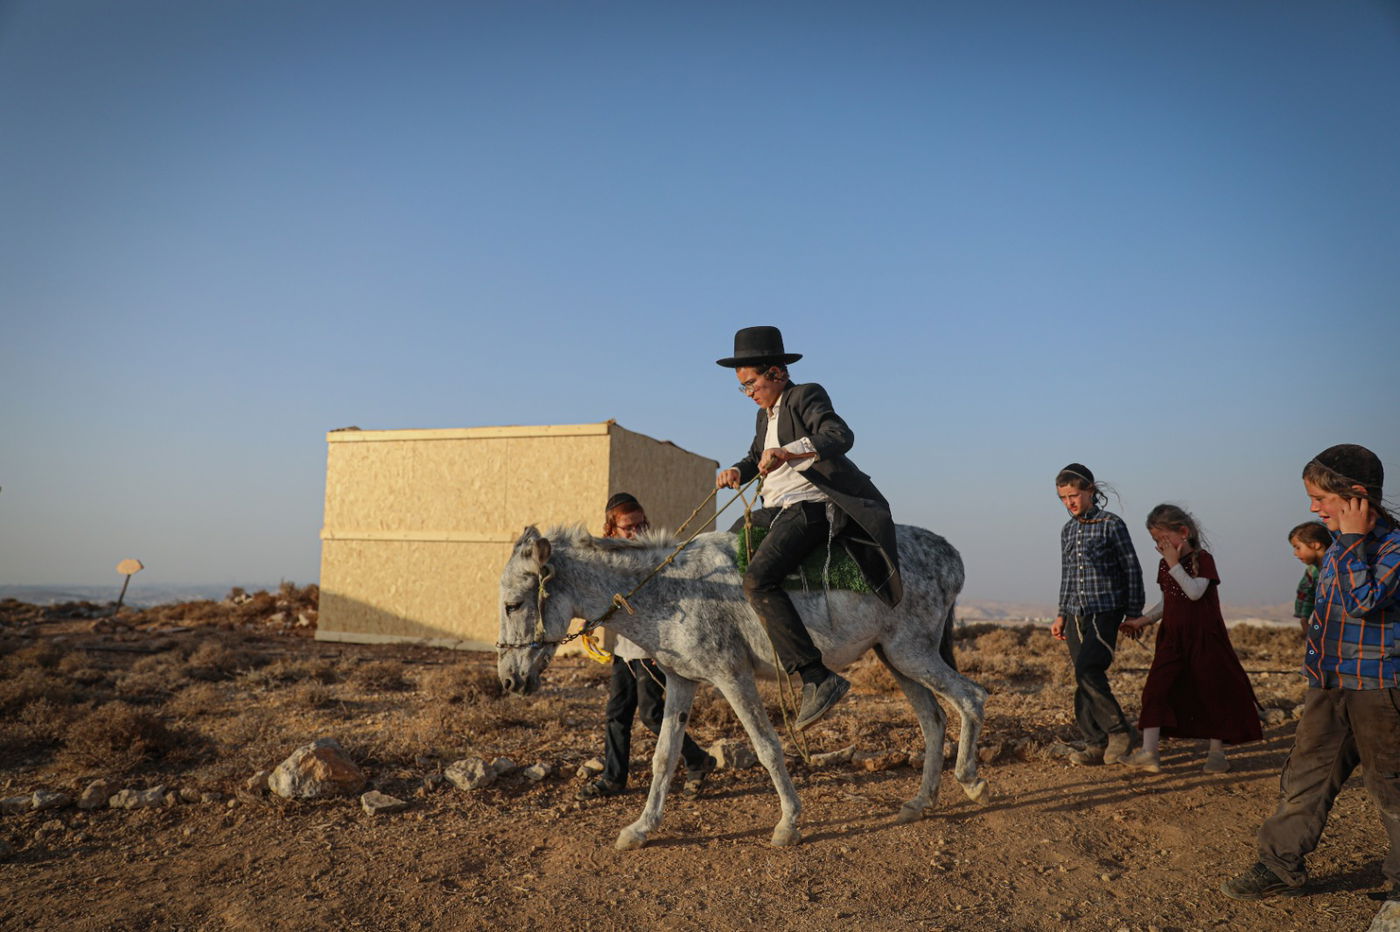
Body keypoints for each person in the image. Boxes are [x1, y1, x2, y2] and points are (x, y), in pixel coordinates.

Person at [1222, 444, 1400, 904]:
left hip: (1379, 689)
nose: (1313, 508)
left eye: (1321, 498)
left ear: (1356, 496)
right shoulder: (1339, 546)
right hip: (1330, 685)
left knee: (1390, 785)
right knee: (1305, 776)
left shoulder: (1392, 547)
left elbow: (1364, 601)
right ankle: (1279, 863)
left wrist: (1355, 540)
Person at [715, 326, 902, 730]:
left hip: (811, 506)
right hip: (774, 507)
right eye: (741, 387)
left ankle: (816, 677)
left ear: (777, 372)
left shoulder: (805, 394)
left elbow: (839, 435)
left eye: (751, 383)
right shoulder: (761, 415)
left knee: (757, 581)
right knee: (725, 549)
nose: (748, 392)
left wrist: (789, 451)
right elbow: (755, 458)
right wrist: (737, 470)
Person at [576, 493, 716, 800]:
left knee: (652, 715)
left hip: (648, 650)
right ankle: (614, 778)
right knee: (617, 713)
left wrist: (659, 649)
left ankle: (698, 760)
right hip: (623, 649)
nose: (637, 532)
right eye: (629, 527)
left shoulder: (654, 555)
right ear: (611, 530)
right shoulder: (605, 559)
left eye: (641, 524)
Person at [1121, 504, 1262, 774]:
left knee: (1211, 692)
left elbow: (1195, 592)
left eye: (1163, 539)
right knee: (1155, 690)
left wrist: (1174, 563)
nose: (1160, 546)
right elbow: (1167, 603)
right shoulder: (1166, 566)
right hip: (1173, 639)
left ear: (1182, 532)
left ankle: (1216, 754)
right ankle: (1149, 753)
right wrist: (1141, 621)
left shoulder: (1202, 560)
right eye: (1155, 541)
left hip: (1204, 639)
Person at [1049, 463, 1144, 766]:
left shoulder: (1110, 524)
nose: (1069, 503)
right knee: (1083, 676)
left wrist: (1134, 612)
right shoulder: (1068, 530)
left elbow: (1131, 568)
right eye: (1063, 498)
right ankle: (1095, 743)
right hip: (1076, 614)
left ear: (1090, 490)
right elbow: (1066, 575)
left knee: (1089, 669)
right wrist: (1061, 613)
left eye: (1074, 495)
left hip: (1106, 609)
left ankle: (1120, 732)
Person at [1288, 521, 1331, 635]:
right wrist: (1304, 617)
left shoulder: (1339, 568)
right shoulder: (1312, 572)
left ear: (1315, 545)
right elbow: (1306, 594)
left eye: (1298, 547)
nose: (1295, 553)